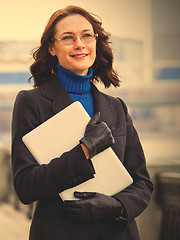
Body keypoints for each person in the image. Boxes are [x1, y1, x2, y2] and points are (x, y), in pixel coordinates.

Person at [11, 5, 153, 240]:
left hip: (117, 233)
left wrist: (116, 206)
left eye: (86, 35)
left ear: (96, 42)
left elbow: (143, 183)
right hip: (61, 233)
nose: (79, 44)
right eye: (68, 38)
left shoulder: (116, 107)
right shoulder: (31, 102)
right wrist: (84, 150)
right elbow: (25, 186)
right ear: (52, 47)